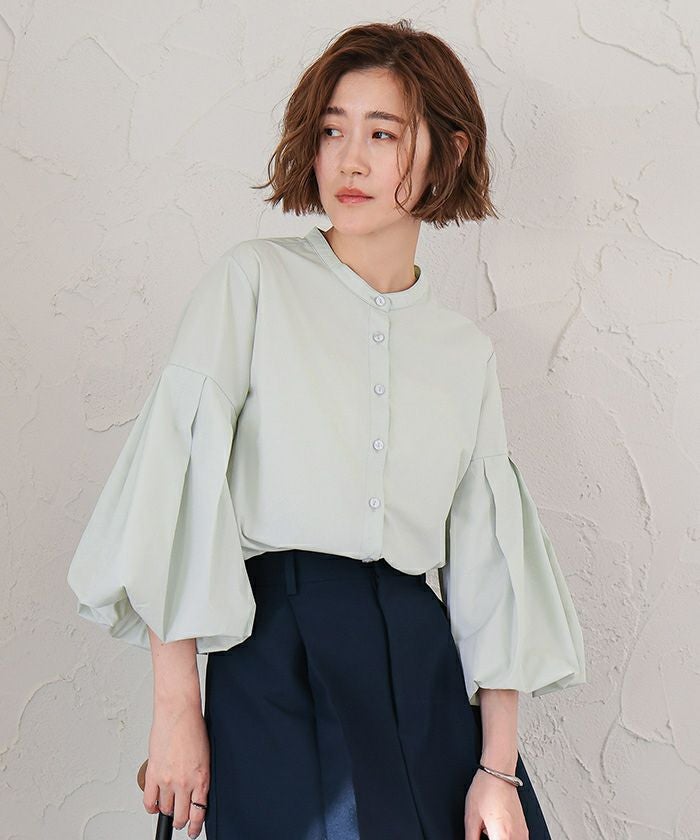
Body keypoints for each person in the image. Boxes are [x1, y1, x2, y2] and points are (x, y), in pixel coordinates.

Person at [66, 19, 586, 840]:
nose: (349, 160)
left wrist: (497, 769)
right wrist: (177, 711)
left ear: (449, 153)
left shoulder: (464, 353)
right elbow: (178, 496)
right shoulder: (252, 283)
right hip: (276, 657)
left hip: (421, 672)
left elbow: (489, 572)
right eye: (332, 131)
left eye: (383, 133)